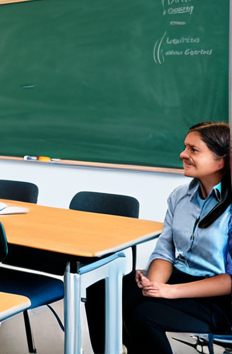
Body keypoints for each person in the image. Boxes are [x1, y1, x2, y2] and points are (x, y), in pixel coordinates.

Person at [87, 121, 232, 353]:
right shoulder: (180, 196)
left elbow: (229, 280)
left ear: (221, 160)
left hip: (217, 297)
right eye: (185, 147)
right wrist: (154, 284)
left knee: (143, 315)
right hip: (181, 276)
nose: (183, 154)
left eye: (193, 150)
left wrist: (169, 291)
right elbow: (165, 249)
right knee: (101, 293)